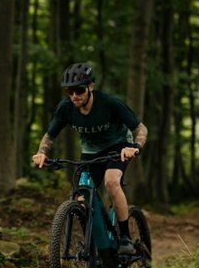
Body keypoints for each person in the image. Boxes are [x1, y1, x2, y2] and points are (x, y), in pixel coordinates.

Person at [32, 63, 148, 254]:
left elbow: (140, 128)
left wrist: (135, 147)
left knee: (111, 182)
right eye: (70, 92)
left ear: (90, 87)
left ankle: (125, 237)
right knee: (81, 196)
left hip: (118, 146)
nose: (74, 96)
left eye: (79, 90)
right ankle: (94, 245)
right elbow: (50, 135)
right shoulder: (66, 108)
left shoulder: (109, 103)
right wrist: (42, 152)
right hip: (91, 152)